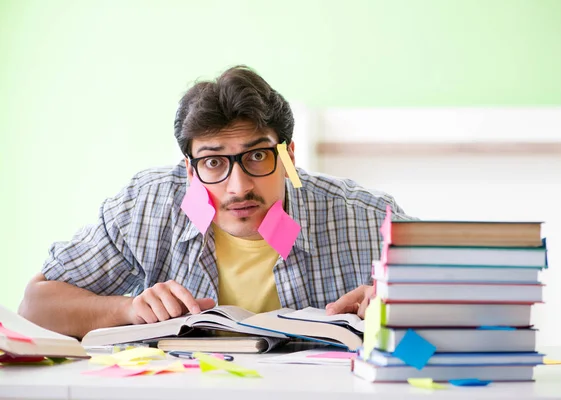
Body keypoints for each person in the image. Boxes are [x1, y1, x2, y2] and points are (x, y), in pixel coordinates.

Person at [18, 65, 412, 339]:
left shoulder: (370, 219)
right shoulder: (145, 206)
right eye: (212, 162)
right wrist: (127, 310)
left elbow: (460, 322)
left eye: (257, 156)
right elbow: (35, 308)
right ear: (190, 170)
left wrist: (404, 311)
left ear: (289, 155)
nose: (238, 187)